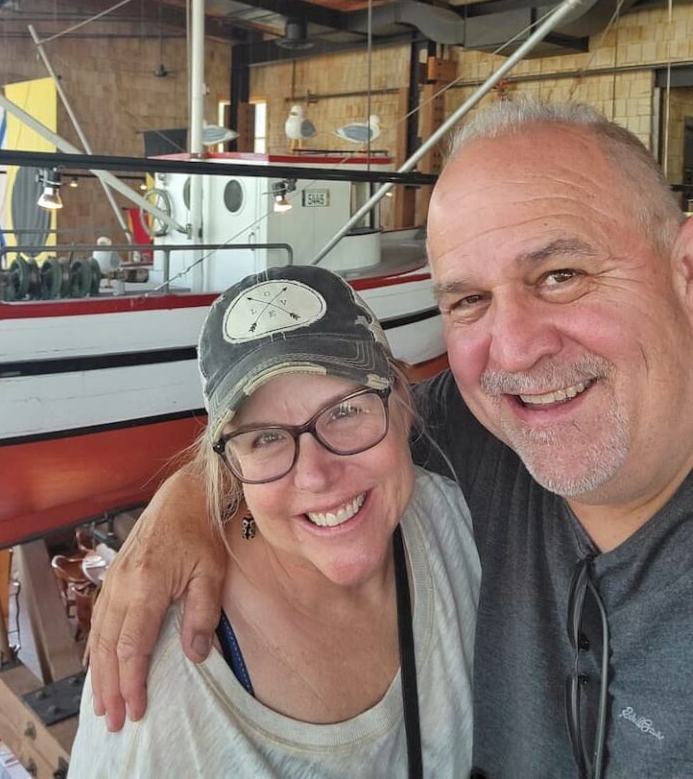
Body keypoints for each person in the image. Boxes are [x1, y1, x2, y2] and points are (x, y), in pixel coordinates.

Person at [87, 100, 693, 778]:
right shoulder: (483, 429)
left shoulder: (474, 460)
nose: (515, 351)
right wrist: (185, 507)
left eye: (561, 276)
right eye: (468, 300)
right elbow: (312, 442)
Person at [72, 265, 480, 777]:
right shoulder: (162, 690)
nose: (315, 475)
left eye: (345, 411)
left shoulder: (455, 520)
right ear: (230, 465)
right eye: (265, 438)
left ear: (403, 403)